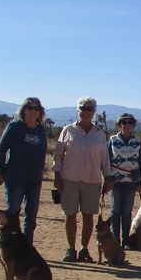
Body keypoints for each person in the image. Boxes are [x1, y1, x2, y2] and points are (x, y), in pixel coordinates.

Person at [53, 97, 112, 262]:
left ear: (94, 111)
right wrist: (57, 174)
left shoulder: (99, 134)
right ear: (77, 110)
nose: (85, 112)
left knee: (88, 216)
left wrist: (108, 177)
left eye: (89, 109)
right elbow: (58, 154)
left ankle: (84, 249)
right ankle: (70, 249)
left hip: (92, 179)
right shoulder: (67, 131)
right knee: (70, 214)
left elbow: (105, 158)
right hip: (69, 178)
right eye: (82, 108)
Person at [0, 96, 48, 244]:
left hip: (34, 178)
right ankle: (7, 242)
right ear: (23, 110)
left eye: (36, 108)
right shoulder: (15, 127)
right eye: (29, 108)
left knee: (31, 215)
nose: (33, 111)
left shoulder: (40, 131)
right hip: (15, 177)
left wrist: (41, 170)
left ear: (40, 112)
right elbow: (1, 149)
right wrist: (0, 170)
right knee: (12, 211)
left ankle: (27, 245)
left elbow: (43, 152)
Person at [108, 113, 141, 247]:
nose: (127, 125)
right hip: (115, 181)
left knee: (126, 212)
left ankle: (125, 240)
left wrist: (140, 182)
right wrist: (108, 179)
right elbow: (107, 161)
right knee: (115, 211)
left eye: (130, 122)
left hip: (131, 181)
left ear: (133, 125)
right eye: (124, 122)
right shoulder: (112, 140)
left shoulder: (137, 141)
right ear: (119, 125)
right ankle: (115, 239)